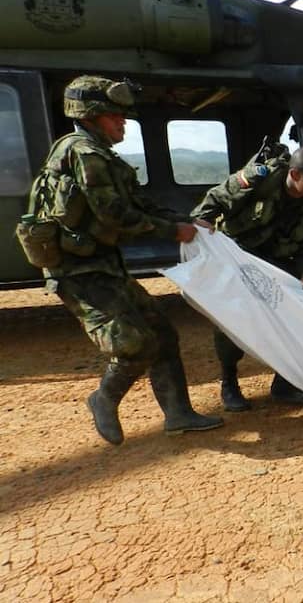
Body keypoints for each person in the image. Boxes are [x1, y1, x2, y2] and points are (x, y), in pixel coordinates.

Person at [24, 74, 224, 445]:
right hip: (79, 272)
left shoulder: (99, 155)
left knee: (162, 334)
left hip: (103, 266)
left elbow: (139, 203)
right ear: (90, 116)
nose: (123, 123)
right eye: (115, 117)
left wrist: (182, 220)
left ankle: (178, 414)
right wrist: (171, 231)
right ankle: (103, 398)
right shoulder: (85, 155)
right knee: (134, 344)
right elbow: (116, 216)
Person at [191, 144, 303, 412]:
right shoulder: (259, 180)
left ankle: (284, 384)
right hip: (239, 256)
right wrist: (202, 223)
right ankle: (229, 383)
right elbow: (214, 199)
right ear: (294, 174)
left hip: (277, 262)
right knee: (232, 321)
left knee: (297, 316)